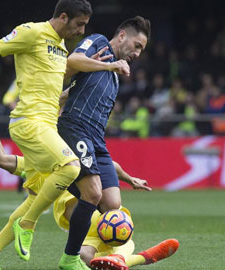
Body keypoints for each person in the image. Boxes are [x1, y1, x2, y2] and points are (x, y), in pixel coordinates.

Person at [0, 1, 127, 269]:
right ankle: (28, 225)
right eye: (79, 24)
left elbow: (56, 95)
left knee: (35, 195)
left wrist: (80, 86)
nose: (82, 31)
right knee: (70, 167)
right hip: (29, 122)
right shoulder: (32, 32)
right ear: (63, 17)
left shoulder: (62, 47)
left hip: (48, 127)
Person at [0, 90, 178, 270]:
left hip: (80, 221)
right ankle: (139, 258)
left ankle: (129, 259)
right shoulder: (36, 163)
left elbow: (0, 159)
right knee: (121, 228)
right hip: (85, 212)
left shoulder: (60, 153)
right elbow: (1, 159)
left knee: (89, 257)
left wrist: (129, 178)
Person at [58, 16, 151, 223]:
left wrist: (129, 179)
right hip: (75, 127)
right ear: (122, 35)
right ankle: (76, 250)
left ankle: (82, 205)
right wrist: (109, 66)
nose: (137, 53)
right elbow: (71, 62)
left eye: (141, 50)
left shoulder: (116, 77)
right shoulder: (99, 43)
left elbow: (78, 88)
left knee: (112, 204)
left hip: (97, 139)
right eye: (137, 46)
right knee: (93, 194)